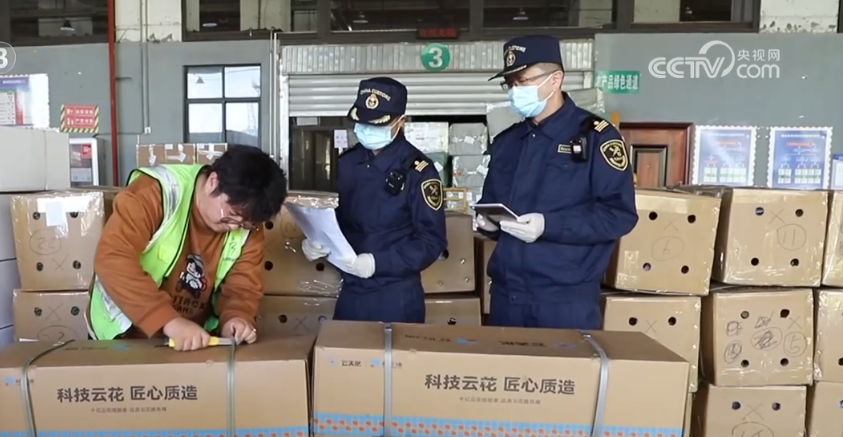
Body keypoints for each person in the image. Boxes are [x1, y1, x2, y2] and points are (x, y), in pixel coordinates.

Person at [477, 35, 637, 330]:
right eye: (509, 84)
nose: (514, 91)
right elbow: (494, 205)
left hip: (564, 300)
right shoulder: (507, 142)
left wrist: (548, 225)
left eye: (523, 81)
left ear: (555, 80)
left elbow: (618, 215)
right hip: (506, 296)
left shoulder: (596, 137)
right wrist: (489, 225)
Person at [87, 145, 288, 351]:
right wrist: (169, 321)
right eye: (231, 214)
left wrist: (236, 318)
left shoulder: (247, 224)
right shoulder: (156, 191)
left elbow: (243, 286)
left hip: (193, 341)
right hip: (124, 335)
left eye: (245, 223)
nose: (235, 226)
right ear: (213, 182)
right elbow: (113, 259)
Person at [301, 77, 448, 323]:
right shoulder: (347, 163)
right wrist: (316, 241)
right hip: (350, 291)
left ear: (401, 122)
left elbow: (432, 241)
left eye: (377, 124)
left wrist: (377, 263)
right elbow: (333, 218)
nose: (367, 129)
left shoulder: (419, 171)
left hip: (396, 296)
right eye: (363, 122)